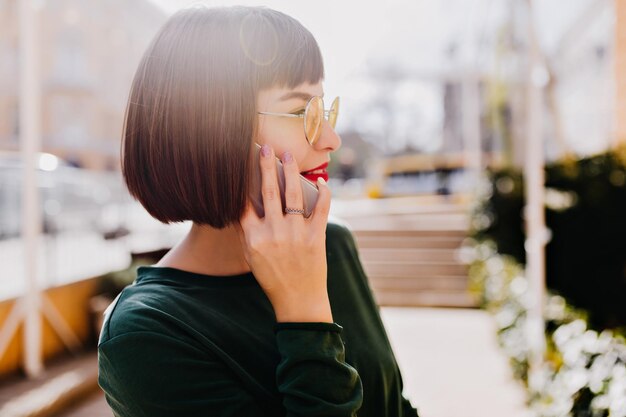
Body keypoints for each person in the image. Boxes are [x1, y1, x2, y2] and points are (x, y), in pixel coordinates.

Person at [97, 5, 420, 417]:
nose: (331, 139)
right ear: (211, 132)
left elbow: (395, 406)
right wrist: (303, 310)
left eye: (324, 109)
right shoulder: (147, 332)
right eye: (302, 111)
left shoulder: (332, 243)